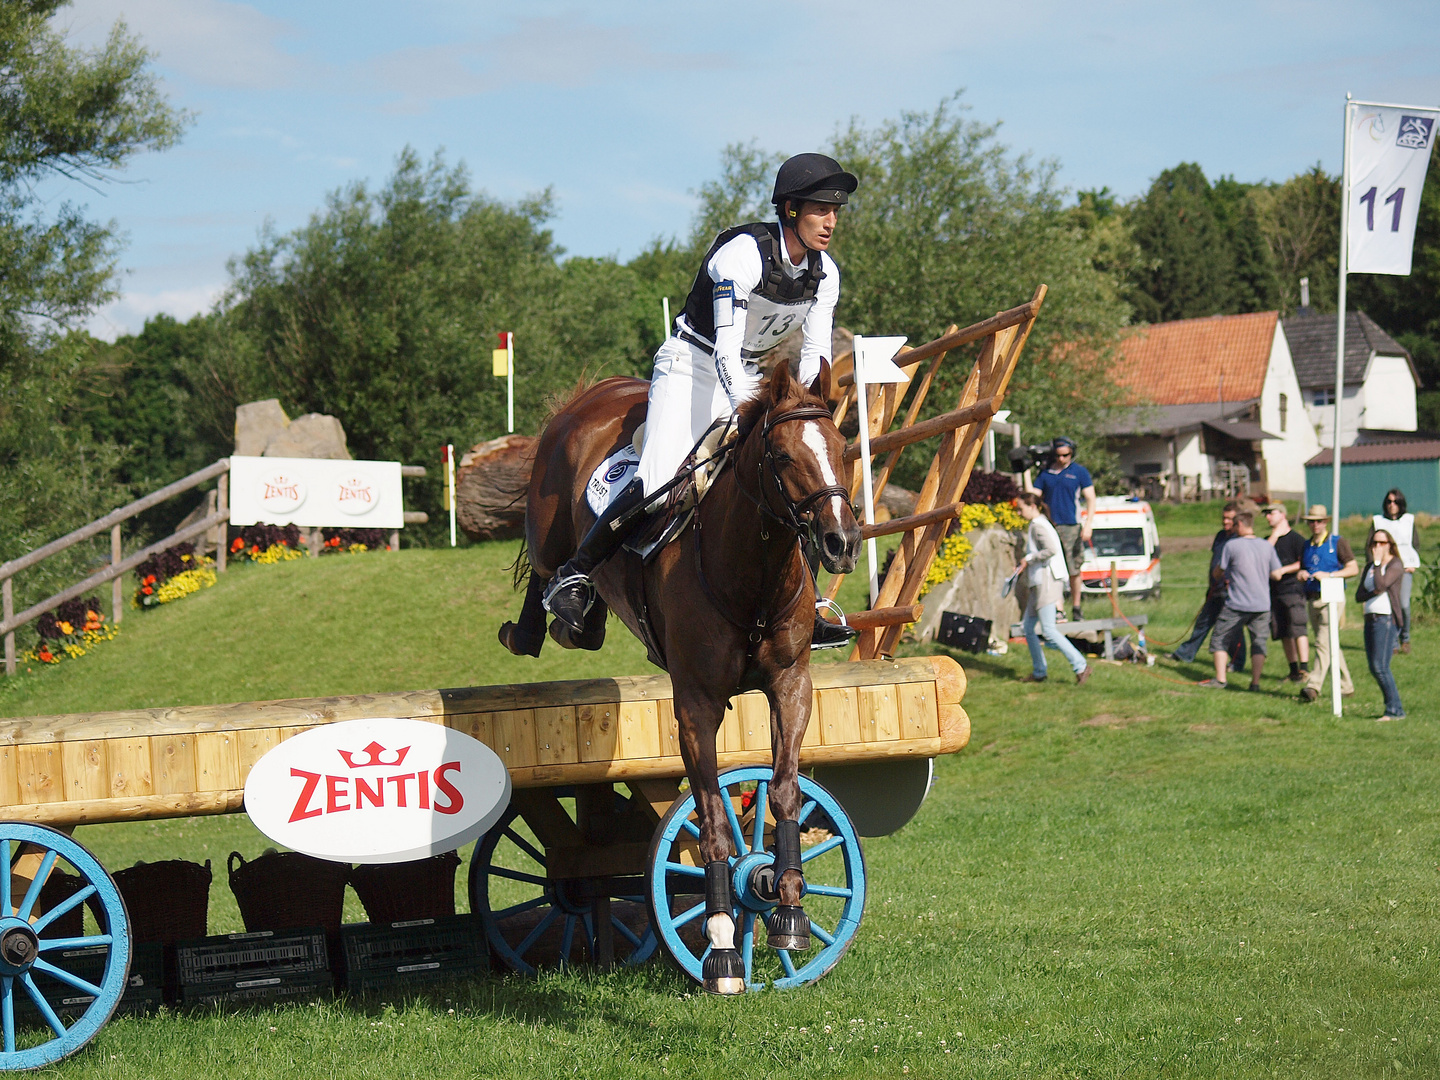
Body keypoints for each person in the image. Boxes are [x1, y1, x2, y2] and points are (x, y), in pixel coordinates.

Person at [540, 154, 856, 647]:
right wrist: (755, 417)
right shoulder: (742, 255)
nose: (831, 221)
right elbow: (725, 351)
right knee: (663, 480)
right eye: (821, 209)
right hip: (692, 366)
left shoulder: (825, 274)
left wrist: (807, 415)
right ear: (791, 210)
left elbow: (815, 354)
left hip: (750, 374)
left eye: (836, 210)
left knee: (792, 480)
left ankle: (806, 605)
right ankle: (577, 576)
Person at [1013, 493, 1092, 685]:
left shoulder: (1038, 525)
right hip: (1039, 582)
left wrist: (1028, 559)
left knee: (1048, 629)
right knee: (1028, 628)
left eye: (1021, 508)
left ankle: (1081, 666)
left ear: (1033, 507)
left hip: (1046, 581)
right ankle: (1039, 671)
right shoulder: (1039, 523)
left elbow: (1051, 550)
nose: (1018, 512)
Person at [1199, 510, 1281, 689]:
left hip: (1237, 604)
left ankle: (1220, 680)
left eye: (1235, 525)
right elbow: (1276, 574)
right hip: (1262, 605)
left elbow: (1219, 570)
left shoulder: (1232, 545)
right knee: (1258, 643)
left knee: (1219, 638)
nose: (1233, 529)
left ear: (1241, 525)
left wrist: (1218, 575)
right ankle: (1255, 683)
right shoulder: (1266, 546)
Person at [1169, 501, 1246, 669]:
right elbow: (1215, 560)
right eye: (1223, 518)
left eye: (1229, 519)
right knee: (1203, 623)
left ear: (1237, 520)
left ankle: (1237, 662)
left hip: (1230, 592)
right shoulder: (1220, 536)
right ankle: (1184, 654)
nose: (1225, 522)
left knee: (1233, 628)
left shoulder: (1239, 539)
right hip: (1214, 589)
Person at [1030, 437, 1096, 622]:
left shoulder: (1079, 472)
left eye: (1066, 455)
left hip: (1071, 525)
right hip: (1051, 526)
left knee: (1074, 568)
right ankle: (1059, 608)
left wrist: (1088, 523)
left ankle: (1076, 607)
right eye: (1058, 455)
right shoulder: (1045, 474)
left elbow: (1091, 497)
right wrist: (1026, 472)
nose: (1062, 459)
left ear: (1072, 454)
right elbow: (1033, 497)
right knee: (1054, 568)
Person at [1297, 504, 1358, 703]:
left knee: (1322, 642)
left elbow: (1353, 568)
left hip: (1332, 597)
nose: (1315, 525)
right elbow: (1303, 567)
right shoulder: (1307, 545)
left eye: (1319, 521)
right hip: (1312, 598)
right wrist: (1302, 574)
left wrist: (1330, 575)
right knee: (1329, 644)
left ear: (1326, 522)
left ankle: (1313, 686)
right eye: (1311, 521)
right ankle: (1346, 685)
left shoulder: (1337, 542)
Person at [1356, 528, 1406, 720]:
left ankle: (1395, 710)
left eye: (1382, 543)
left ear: (1390, 545)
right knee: (1374, 667)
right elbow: (1359, 595)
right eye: (1374, 543)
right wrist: (1375, 590)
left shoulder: (1395, 565)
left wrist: (1377, 564)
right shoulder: (1370, 567)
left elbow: (1381, 585)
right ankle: (1393, 708)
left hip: (1386, 619)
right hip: (1370, 618)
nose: (1377, 546)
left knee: (1380, 667)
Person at [1370, 488, 1420, 653]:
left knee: (1404, 604)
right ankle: (1392, 643)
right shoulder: (1378, 521)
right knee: (1391, 604)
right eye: (1389, 502)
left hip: (1405, 568)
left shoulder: (1409, 520)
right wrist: (1374, 565)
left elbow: (1415, 543)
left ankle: (1405, 637)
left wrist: (1412, 562)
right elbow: (1370, 545)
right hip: (1386, 568)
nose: (1392, 505)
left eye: (1395, 502)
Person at [1264, 502, 1310, 682]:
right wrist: (1274, 535)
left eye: (1271, 513)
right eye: (1266, 514)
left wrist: (1282, 571)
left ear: (1282, 515)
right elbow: (1263, 556)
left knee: (1297, 628)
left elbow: (1303, 562)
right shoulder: (1269, 539)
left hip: (1292, 589)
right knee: (1282, 631)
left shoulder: (1296, 539)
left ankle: (1304, 669)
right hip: (1274, 592)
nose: (1268, 517)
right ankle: (1293, 670)